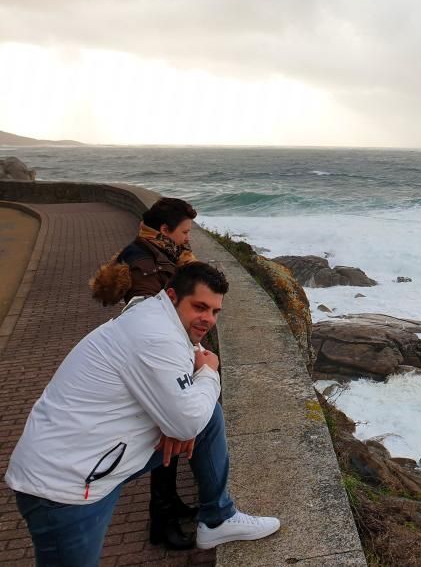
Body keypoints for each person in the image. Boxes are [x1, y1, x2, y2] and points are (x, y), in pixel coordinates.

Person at [5, 262, 280, 566]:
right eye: (200, 307)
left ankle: (217, 519)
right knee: (196, 415)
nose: (208, 320)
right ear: (172, 296)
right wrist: (208, 374)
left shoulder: (153, 313)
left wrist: (180, 424)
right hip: (63, 486)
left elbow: (188, 377)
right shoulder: (156, 336)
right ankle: (216, 517)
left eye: (215, 311)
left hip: (94, 461)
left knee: (207, 417)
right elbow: (188, 413)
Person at [89, 197, 202, 549]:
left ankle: (169, 506)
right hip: (155, 362)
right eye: (184, 232)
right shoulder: (143, 263)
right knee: (165, 440)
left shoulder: (157, 250)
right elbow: (149, 322)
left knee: (168, 442)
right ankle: (161, 523)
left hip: (164, 355)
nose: (188, 239)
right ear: (165, 230)